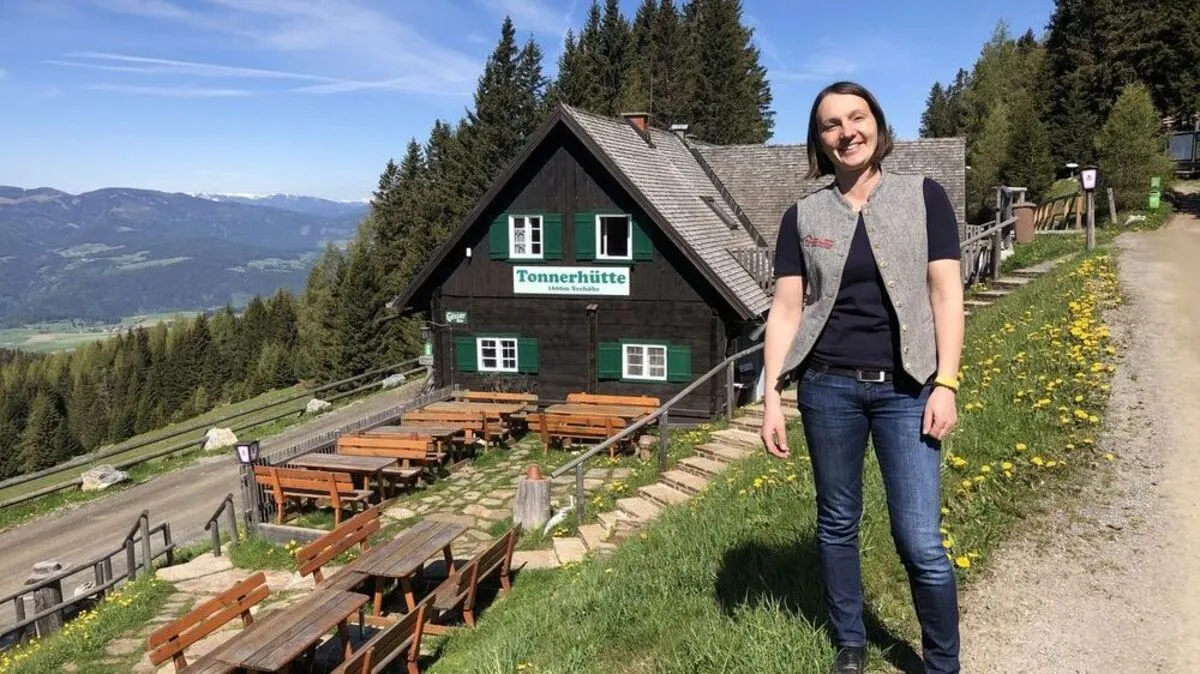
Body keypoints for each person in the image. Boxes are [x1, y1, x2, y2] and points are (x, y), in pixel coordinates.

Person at [758, 81, 965, 674]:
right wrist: (771, 398)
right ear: (819, 140)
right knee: (837, 522)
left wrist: (947, 383)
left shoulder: (924, 196)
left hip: (909, 388)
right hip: (827, 389)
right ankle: (850, 644)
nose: (847, 132)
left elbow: (946, 294)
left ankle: (942, 664)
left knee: (920, 540)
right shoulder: (803, 216)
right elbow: (787, 310)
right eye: (831, 124)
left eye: (857, 117)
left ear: (877, 123)